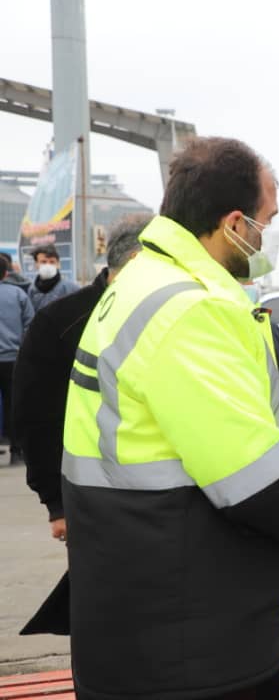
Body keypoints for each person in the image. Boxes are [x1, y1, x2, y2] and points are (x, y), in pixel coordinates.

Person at [61, 137, 279, 700]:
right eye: (267, 221)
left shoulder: (141, 281)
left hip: (138, 602)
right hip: (188, 636)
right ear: (234, 223)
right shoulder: (190, 307)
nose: (267, 237)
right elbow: (255, 476)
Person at [16, 215, 148, 543]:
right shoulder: (61, 320)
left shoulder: (168, 316)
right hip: (91, 496)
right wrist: (55, 502)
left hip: (162, 496)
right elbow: (34, 415)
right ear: (137, 259)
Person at [0, 254, 34, 456]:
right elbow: (30, 324)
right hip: (13, 359)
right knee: (13, 404)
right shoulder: (18, 294)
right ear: (6, 273)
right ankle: (16, 450)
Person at [27, 244, 80, 311]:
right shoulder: (32, 290)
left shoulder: (71, 289)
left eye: (52, 262)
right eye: (43, 262)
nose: (48, 265)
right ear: (36, 264)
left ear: (58, 264)